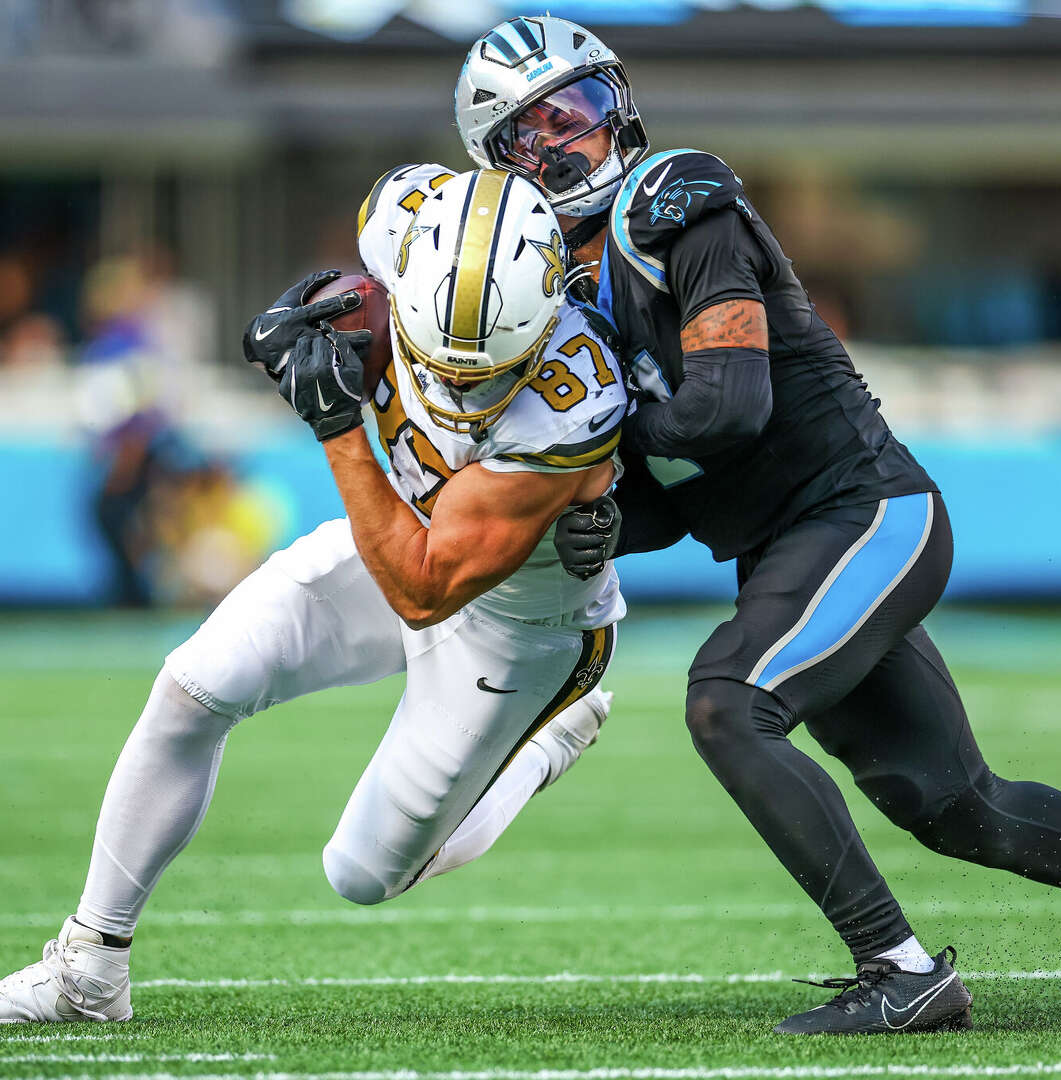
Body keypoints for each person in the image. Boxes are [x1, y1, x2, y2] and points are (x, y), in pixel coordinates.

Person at [454, 16, 1061, 1034]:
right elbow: (675, 490)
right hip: (789, 546)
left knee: (727, 702)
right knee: (965, 808)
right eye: (540, 130)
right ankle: (904, 968)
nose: (573, 140)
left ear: (621, 106)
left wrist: (589, 462)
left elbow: (727, 408)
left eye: (584, 110)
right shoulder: (562, 304)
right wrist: (603, 520)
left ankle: (902, 971)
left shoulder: (677, 203)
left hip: (865, 510)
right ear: (501, 165)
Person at [0, 168, 626, 1024]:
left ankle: (546, 738)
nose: (458, 388)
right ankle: (89, 967)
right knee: (191, 689)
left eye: (489, 373)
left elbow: (423, 586)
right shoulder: (400, 219)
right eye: (435, 358)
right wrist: (313, 319)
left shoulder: (573, 400)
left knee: (362, 874)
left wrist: (336, 424)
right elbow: (351, 306)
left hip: (514, 621)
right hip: (402, 534)